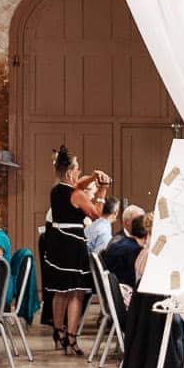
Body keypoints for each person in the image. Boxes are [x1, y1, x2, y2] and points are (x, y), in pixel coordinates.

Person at [41, 146, 108, 354]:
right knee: (76, 293)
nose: (79, 172)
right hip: (72, 244)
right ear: (70, 172)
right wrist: (103, 189)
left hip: (57, 243)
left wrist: (91, 178)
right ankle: (71, 337)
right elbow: (96, 214)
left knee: (60, 292)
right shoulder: (77, 195)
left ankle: (58, 331)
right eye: (77, 169)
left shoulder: (56, 190)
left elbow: (77, 184)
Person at [103, 211, 147, 292]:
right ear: (148, 233)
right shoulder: (135, 251)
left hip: (115, 290)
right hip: (127, 294)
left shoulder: (120, 243)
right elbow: (138, 281)